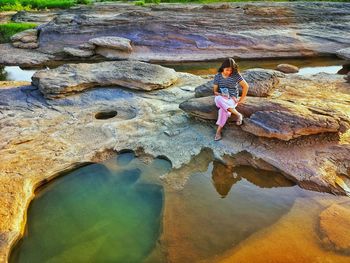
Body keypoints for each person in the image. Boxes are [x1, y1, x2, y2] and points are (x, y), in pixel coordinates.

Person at [213, 58, 249, 141]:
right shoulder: (218, 76)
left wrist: (241, 99)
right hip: (222, 98)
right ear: (223, 68)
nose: (229, 72)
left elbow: (246, 86)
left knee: (222, 110)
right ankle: (238, 114)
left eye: (231, 70)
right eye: (227, 70)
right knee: (218, 98)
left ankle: (218, 132)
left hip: (232, 99)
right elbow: (215, 91)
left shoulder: (236, 75)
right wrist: (221, 94)